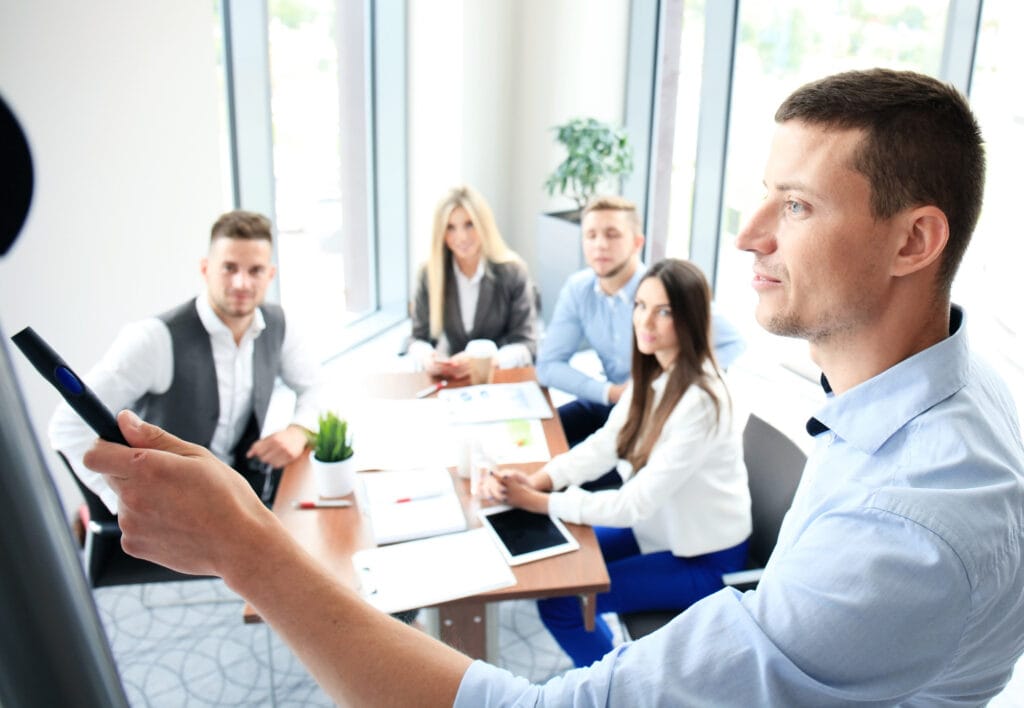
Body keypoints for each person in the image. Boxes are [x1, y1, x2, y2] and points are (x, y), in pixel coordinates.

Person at [85, 68, 1024, 706]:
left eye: (797, 204)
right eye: (763, 193)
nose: (746, 235)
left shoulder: (909, 531)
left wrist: (248, 548)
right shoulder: (923, 395)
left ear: (914, 241)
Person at [484, 258, 750, 668]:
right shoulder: (655, 375)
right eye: (641, 306)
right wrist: (539, 480)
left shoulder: (703, 399)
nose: (646, 320)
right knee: (560, 562)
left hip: (703, 558)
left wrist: (539, 502)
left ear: (691, 319)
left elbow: (631, 504)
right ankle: (615, 668)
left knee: (564, 600)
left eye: (664, 311)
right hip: (656, 530)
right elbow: (604, 445)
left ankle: (618, 691)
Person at [51, 210, 323, 511]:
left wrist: (299, 430)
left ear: (270, 275)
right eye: (229, 268)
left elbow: (316, 388)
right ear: (205, 269)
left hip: (241, 499)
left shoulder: (279, 326)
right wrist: (122, 500)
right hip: (176, 512)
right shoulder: (154, 339)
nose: (242, 283)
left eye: (255, 270)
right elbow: (67, 425)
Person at [535, 195, 745, 449]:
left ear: (637, 242)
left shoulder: (666, 290)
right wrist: (609, 392)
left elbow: (733, 343)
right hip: (609, 400)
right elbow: (547, 365)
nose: (600, 245)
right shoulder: (579, 289)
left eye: (612, 234)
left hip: (651, 419)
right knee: (536, 442)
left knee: (565, 477)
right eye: (591, 235)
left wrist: (669, 386)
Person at [408, 185, 538, 380]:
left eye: (469, 224)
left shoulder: (512, 272)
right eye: (450, 228)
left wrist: (489, 359)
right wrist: (427, 358)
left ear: (483, 225)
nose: (461, 237)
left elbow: (528, 345)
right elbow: (417, 338)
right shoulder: (430, 274)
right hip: (453, 380)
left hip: (500, 378)